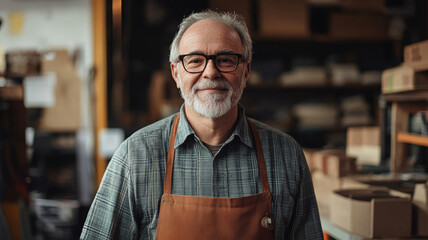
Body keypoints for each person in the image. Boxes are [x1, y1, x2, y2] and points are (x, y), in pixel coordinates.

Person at [81, 10, 323, 239]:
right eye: (195, 60)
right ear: (176, 74)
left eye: (225, 60)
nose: (210, 72)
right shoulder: (135, 156)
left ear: (246, 72)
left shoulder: (286, 156)